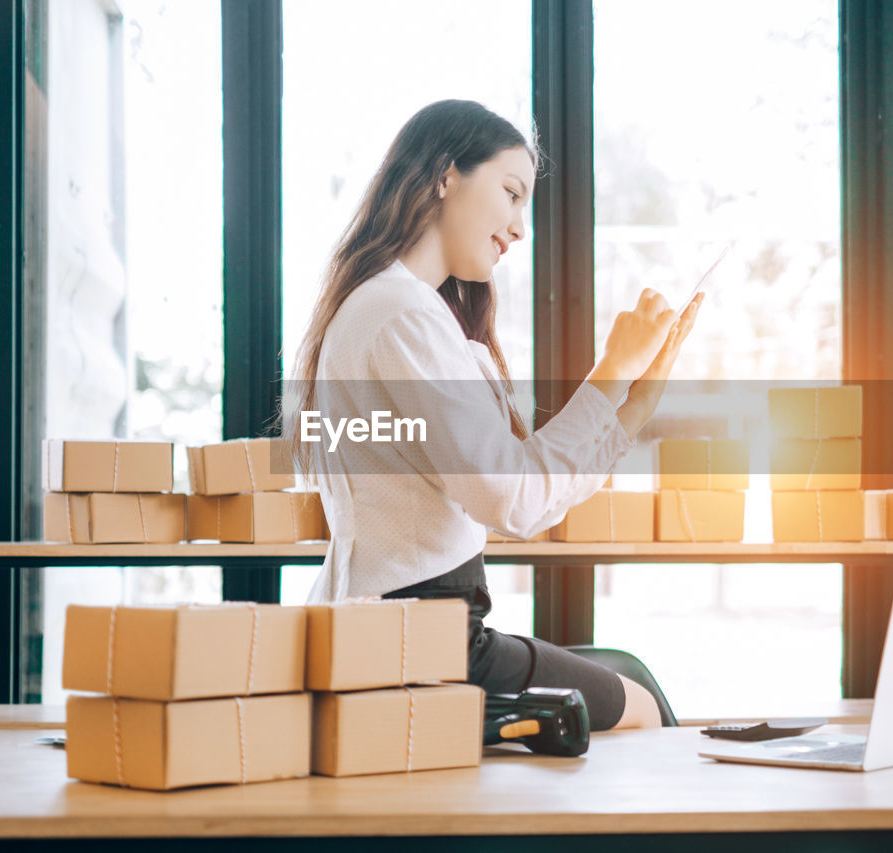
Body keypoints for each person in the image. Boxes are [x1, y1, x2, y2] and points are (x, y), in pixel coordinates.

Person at [285, 99, 702, 731]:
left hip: (392, 627)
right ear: (445, 176)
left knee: (628, 671)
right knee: (639, 706)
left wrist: (632, 401)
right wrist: (611, 370)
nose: (518, 228)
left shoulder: (383, 305)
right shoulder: (404, 316)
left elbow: (517, 485)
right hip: (424, 639)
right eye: (511, 194)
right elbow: (512, 499)